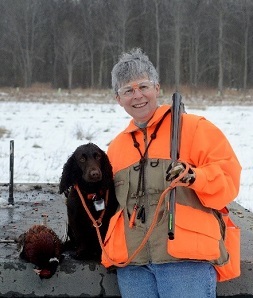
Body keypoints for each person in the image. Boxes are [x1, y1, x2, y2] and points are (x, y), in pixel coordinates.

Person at [101, 48, 241, 298]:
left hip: (184, 261)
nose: (138, 96)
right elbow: (109, 204)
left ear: (157, 87)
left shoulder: (194, 128)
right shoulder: (116, 148)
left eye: (143, 86)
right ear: (118, 99)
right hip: (133, 265)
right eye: (128, 90)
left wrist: (194, 176)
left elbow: (228, 180)